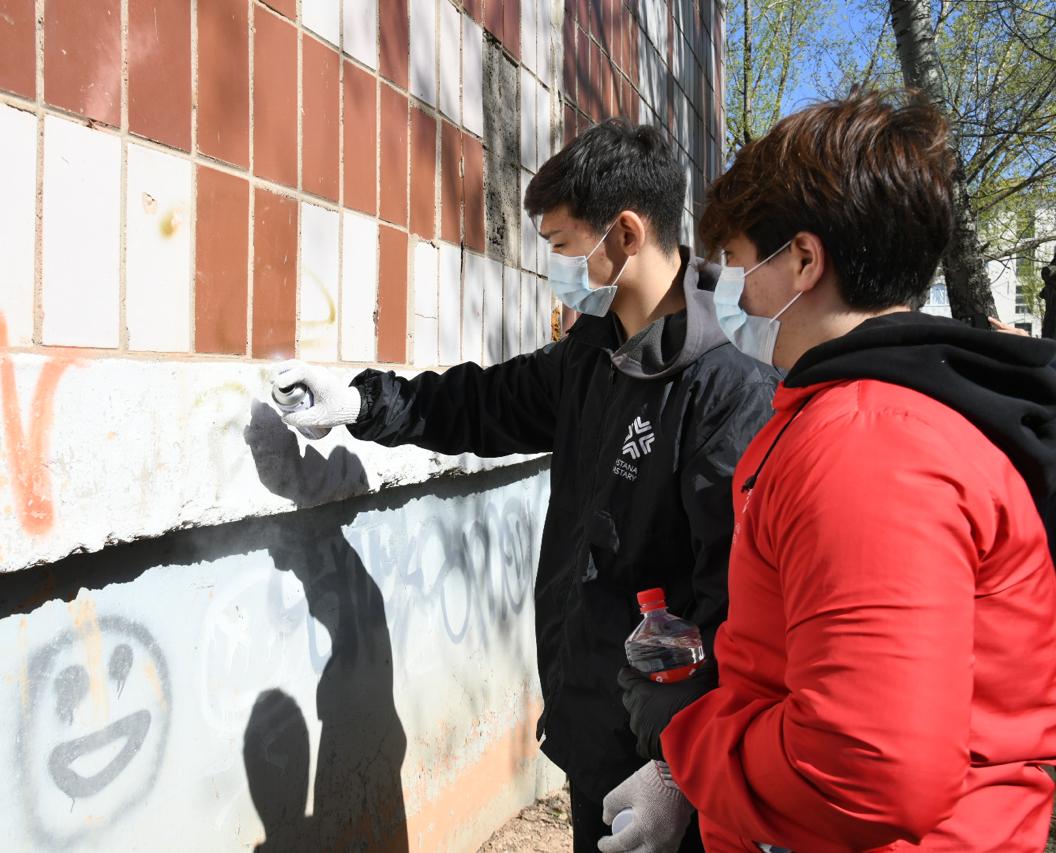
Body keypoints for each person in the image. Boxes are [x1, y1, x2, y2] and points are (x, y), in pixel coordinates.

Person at [268, 120, 778, 852]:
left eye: (564, 246)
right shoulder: (592, 356)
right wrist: (358, 402)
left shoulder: (725, 385)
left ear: (626, 234)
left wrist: (680, 770)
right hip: (593, 728)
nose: (557, 270)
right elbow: (480, 404)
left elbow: (742, 605)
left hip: (675, 765)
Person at [613, 91, 1056, 851]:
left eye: (743, 268)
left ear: (805, 261)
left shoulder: (870, 445)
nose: (734, 296)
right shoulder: (882, 415)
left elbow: (865, 769)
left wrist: (689, 736)